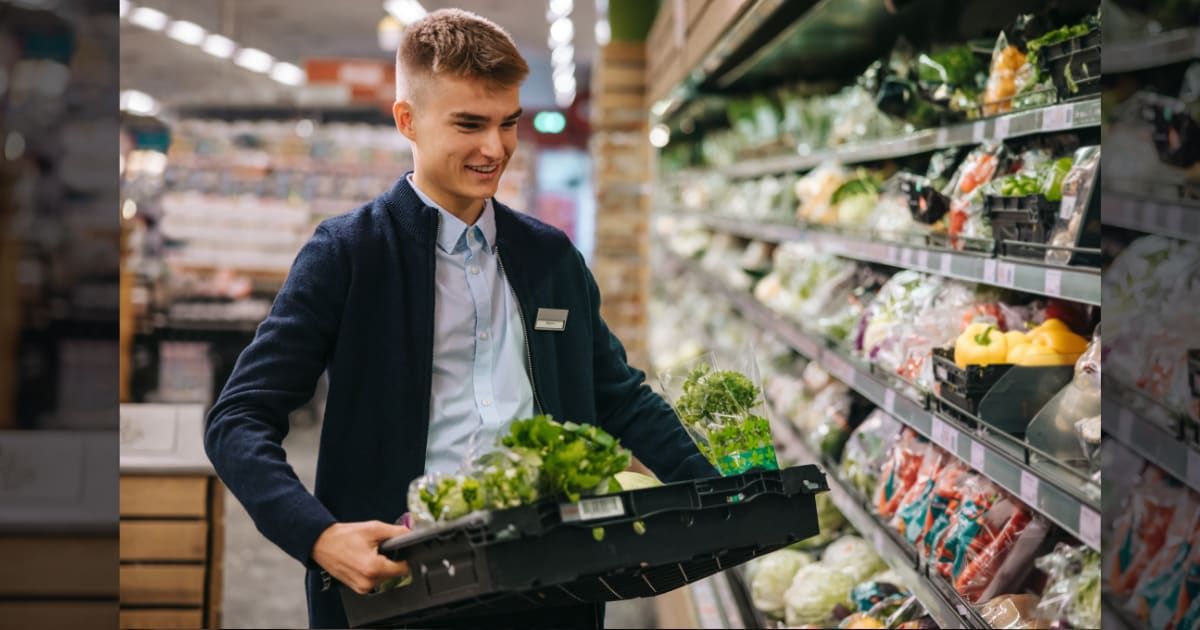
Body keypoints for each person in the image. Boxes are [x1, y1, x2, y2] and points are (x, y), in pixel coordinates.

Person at [204, 8, 716, 629]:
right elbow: (238, 419)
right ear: (407, 121)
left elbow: (620, 396)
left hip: (554, 581)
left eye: (508, 124)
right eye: (469, 124)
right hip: (401, 585)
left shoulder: (550, 257)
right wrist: (318, 536)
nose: (495, 148)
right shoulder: (349, 253)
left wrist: (722, 490)